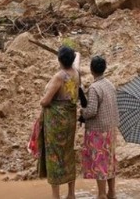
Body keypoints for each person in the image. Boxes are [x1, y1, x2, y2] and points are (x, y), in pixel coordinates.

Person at [39, 46, 80, 199]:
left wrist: (41, 100)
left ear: (59, 60)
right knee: (68, 153)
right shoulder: (76, 73)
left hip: (56, 123)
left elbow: (46, 101)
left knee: (54, 155)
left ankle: (55, 195)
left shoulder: (60, 76)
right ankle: (71, 193)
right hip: (70, 120)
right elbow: (78, 55)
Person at [81, 56, 120, 199]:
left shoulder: (94, 87)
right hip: (111, 128)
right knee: (110, 160)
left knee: (99, 162)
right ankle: (111, 192)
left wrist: (82, 113)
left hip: (98, 131)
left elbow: (91, 111)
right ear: (104, 68)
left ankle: (102, 194)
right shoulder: (109, 84)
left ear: (91, 70)